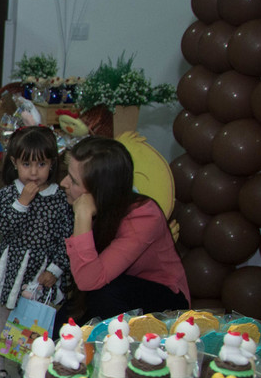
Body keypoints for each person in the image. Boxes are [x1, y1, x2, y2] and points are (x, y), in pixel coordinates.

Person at [60, 136, 190, 323]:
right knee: (61, 323)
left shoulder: (144, 216)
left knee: (101, 297)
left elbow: (89, 280)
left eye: (73, 180)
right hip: (110, 288)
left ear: (99, 189)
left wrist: (82, 216)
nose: (63, 183)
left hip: (164, 300)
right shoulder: (100, 205)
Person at [0, 126, 73, 376]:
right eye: (26, 164)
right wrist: (22, 202)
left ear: (52, 163)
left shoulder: (60, 198)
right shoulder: (7, 195)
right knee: (6, 317)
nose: (33, 172)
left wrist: (55, 269)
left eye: (41, 164)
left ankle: (29, 363)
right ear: (14, 163)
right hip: (14, 267)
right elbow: (3, 226)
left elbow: (67, 238)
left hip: (43, 270)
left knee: (36, 322)